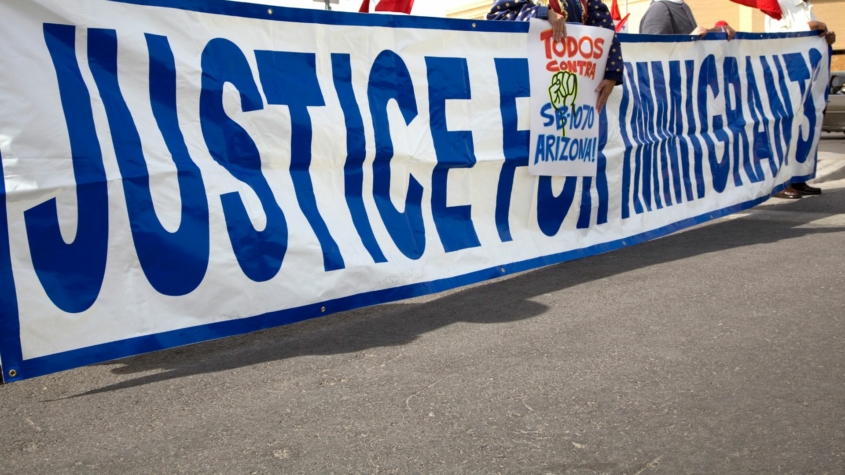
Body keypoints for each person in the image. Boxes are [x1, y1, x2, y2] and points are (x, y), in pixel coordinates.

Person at [487, 0, 623, 113]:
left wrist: (612, 73)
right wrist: (543, 13)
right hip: (530, 88)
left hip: (579, 86)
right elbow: (499, 17)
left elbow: (604, 27)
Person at [766, 0, 836, 198]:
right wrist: (814, 27)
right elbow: (782, 39)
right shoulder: (778, 4)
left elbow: (815, 36)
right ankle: (779, 182)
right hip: (789, 77)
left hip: (808, 79)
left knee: (804, 129)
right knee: (785, 131)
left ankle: (798, 178)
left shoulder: (806, 7)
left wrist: (826, 36)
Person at [639, 0, 737, 39]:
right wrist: (689, 39)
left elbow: (693, 41)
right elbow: (652, 53)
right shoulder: (659, 9)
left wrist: (716, 31)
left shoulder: (683, 6)